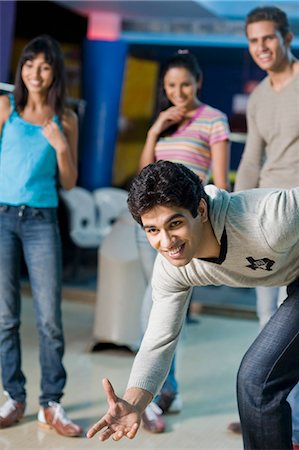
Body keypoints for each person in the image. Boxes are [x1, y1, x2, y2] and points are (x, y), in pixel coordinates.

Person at [87, 160, 299, 450]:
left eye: (175, 223)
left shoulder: (268, 218)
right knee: (257, 383)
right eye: (152, 230)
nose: (166, 242)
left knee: (256, 378)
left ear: (200, 210)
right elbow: (159, 341)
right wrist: (134, 403)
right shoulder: (173, 267)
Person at [136, 50, 231, 433]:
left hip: (185, 229)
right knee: (159, 310)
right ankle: (166, 389)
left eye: (185, 84)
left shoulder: (214, 119)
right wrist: (155, 130)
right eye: (171, 86)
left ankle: (154, 398)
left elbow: (220, 183)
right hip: (151, 228)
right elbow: (143, 175)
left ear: (198, 82)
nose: (178, 92)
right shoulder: (164, 122)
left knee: (155, 311)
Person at [0, 35, 83, 437]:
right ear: (22, 70)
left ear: (54, 74)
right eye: (29, 63)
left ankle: (51, 403)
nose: (35, 71)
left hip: (41, 220)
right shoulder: (4, 109)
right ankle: (14, 396)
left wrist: (60, 146)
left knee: (50, 318)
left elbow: (69, 182)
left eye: (45, 65)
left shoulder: (65, 118)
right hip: (1, 219)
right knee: (5, 317)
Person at [231, 6, 299, 443]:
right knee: (267, 325)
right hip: (265, 216)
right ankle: (267, 412)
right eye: (253, 41)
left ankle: (293, 426)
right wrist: (234, 216)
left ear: (287, 36)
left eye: (268, 38)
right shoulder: (257, 97)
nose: (261, 48)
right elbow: (251, 161)